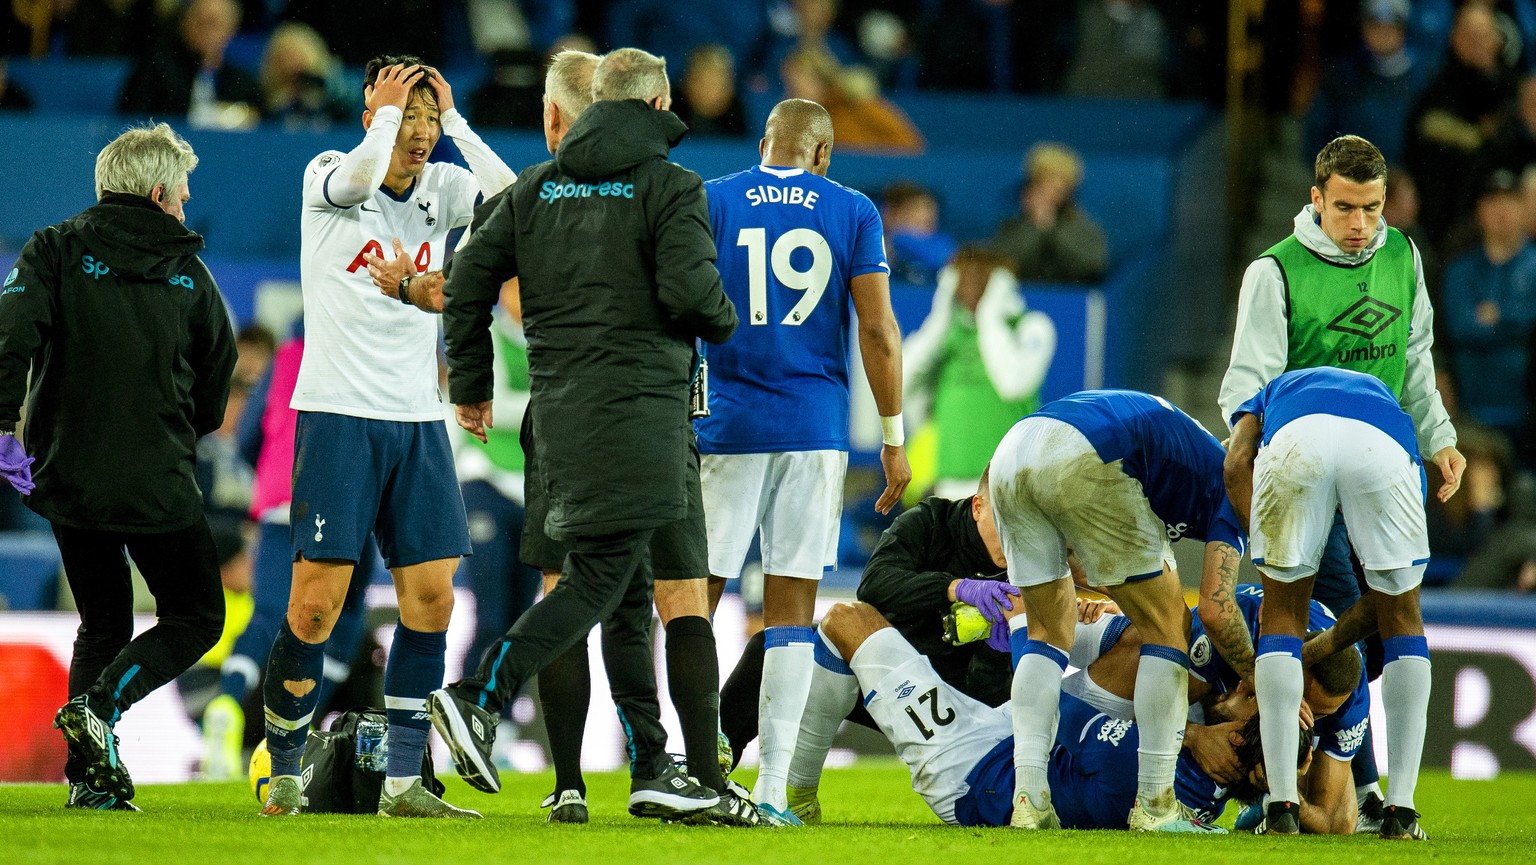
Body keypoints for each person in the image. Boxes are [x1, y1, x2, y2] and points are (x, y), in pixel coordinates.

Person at [431, 47, 740, 823]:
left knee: (597, 587)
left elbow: (467, 281)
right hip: (644, 417)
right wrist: (721, 314)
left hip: (558, 419)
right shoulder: (671, 187)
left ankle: (612, 775)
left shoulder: (538, 188)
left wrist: (471, 382)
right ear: (661, 100)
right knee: (642, 588)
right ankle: (479, 696)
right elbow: (691, 294)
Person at [256, 55, 514, 820]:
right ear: (372, 116)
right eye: (410, 119)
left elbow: (513, 198)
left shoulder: (444, 189)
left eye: (430, 122)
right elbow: (366, 175)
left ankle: (403, 782)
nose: (422, 135)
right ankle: (284, 771)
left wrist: (456, 119)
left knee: (432, 600)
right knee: (315, 608)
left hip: (417, 421)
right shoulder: (330, 173)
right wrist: (389, 113)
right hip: (337, 414)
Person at [1220, 133, 1463, 823]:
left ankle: (1329, 783)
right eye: (1347, 209)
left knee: (1366, 639)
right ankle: (1359, 791)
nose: (1361, 226)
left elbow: (1416, 360)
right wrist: (1252, 463)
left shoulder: (1405, 255)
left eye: (1374, 208)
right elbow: (1247, 383)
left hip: (1384, 452)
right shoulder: (1276, 271)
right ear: (1316, 199)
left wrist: (1440, 437)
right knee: (1352, 616)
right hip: (1305, 462)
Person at [0, 122, 237, 810]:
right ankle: (101, 707)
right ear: (160, 192)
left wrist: (3, 432)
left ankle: (88, 780)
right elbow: (215, 382)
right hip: (157, 479)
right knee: (195, 616)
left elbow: (9, 339)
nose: (186, 208)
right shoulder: (191, 272)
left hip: (67, 475)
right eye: (184, 195)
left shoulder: (51, 249)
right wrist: (172, 434)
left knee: (101, 622)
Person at [692, 96, 909, 824]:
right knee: (790, 609)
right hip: (812, 427)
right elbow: (877, 329)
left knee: (697, 596)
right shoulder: (851, 210)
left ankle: (689, 765)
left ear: (763, 143)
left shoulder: (713, 198)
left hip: (727, 422)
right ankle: (772, 789)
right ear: (823, 151)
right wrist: (892, 433)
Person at [986, 388, 1248, 832]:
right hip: (1090, 452)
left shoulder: (1196, 456)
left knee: (1047, 632)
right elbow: (1216, 610)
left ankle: (1029, 801)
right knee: (1169, 626)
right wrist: (1257, 673)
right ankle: (1155, 806)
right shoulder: (1240, 491)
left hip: (1013, 449)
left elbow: (1093, 560)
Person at [780, 601, 1254, 831]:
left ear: (1233, 743)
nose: (1234, 687)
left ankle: (797, 796)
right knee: (1138, 642)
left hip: (976, 774)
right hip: (1014, 738)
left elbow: (1059, 703)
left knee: (845, 620)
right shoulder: (1206, 786)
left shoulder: (1140, 763)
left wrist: (1027, 621)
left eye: (1246, 699)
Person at [1225, 367, 1435, 840]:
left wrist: (1266, 543)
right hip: (1382, 446)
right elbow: (1386, 601)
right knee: (1405, 617)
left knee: (1282, 613)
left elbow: (1237, 462)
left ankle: (1280, 806)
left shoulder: (1269, 393)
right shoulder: (1388, 402)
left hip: (1297, 438)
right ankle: (1401, 811)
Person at [198, 331, 377, 780]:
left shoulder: (288, 355)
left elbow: (248, 435)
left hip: (282, 499)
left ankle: (227, 700)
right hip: (347, 501)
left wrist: (271, 476)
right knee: (344, 617)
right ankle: (303, 730)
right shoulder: (369, 348)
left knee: (268, 616)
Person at [903, 246, 1056, 499]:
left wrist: (989, 314)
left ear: (999, 283)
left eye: (980, 277)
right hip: (949, 481)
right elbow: (901, 380)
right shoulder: (944, 335)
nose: (969, 285)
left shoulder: (1031, 327)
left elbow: (1013, 384)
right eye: (962, 277)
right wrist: (939, 317)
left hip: (1009, 480)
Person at [1442, 169, 1536, 464]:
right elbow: (1461, 328)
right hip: (1471, 409)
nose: (1501, 212)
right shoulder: (1460, 271)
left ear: (1523, 208)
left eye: (1509, 202)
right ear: (1480, 212)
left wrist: (1496, 318)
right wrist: (1514, 325)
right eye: (1492, 204)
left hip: (1527, 408)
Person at [116, 0, 261, 129]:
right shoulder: (155, 70)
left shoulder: (243, 83)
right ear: (185, 24)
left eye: (212, 23)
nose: (205, 31)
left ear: (231, 29)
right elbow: (131, 123)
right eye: (199, 22)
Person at [988, 142, 1108, 283]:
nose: (1050, 190)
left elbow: (1092, 266)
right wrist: (1035, 225)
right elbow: (1001, 265)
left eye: (1059, 183)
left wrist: (1050, 228)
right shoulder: (1012, 227)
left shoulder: (1082, 227)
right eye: (1043, 181)